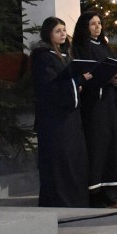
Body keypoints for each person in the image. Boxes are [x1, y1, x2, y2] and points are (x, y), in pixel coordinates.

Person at [71, 11, 117, 207]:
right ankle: (93, 190)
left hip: (109, 103)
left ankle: (106, 187)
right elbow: (84, 74)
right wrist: (106, 79)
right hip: (93, 104)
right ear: (84, 26)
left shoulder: (104, 46)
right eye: (92, 24)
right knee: (95, 146)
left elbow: (111, 68)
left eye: (99, 23)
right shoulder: (80, 47)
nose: (97, 27)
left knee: (110, 145)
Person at [31, 17, 90, 207]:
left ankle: (76, 200)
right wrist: (77, 81)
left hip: (70, 118)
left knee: (73, 159)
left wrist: (77, 84)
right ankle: (59, 201)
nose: (63, 33)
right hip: (54, 120)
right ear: (48, 34)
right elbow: (49, 87)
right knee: (59, 161)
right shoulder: (42, 56)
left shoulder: (66, 56)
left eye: (64, 29)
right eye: (58, 30)